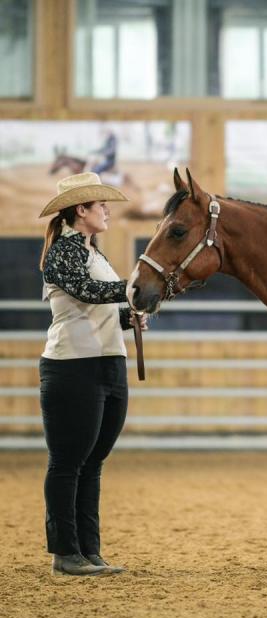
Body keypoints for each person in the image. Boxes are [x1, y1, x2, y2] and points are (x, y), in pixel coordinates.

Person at [38, 172, 148, 577]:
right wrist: (136, 287)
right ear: (80, 210)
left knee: (93, 459)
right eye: (101, 206)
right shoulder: (64, 251)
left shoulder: (94, 252)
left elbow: (96, 306)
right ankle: (66, 553)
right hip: (73, 367)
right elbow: (86, 292)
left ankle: (89, 549)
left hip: (106, 363)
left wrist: (127, 316)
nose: (106, 211)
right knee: (68, 461)